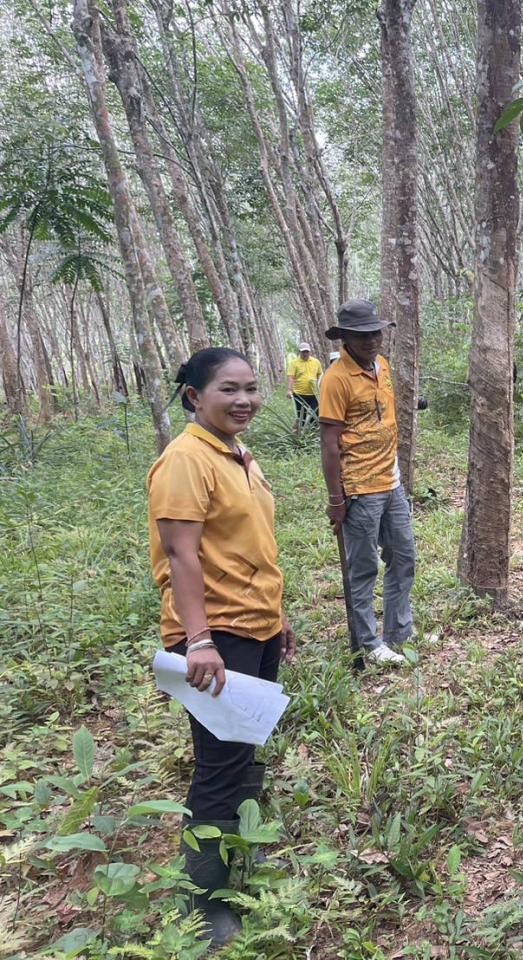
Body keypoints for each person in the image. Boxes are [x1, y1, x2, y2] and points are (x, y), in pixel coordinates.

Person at [147, 347, 296, 947]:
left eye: (252, 388)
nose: (244, 400)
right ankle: (205, 900)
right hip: (217, 632)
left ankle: (241, 855)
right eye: (228, 390)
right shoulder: (185, 459)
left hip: (254, 623)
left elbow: (250, 546)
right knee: (218, 762)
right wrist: (199, 639)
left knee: (248, 746)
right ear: (194, 397)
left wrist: (277, 616)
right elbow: (182, 555)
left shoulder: (238, 455)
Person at [318, 299, 414, 666]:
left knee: (403, 557)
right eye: (362, 335)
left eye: (375, 333)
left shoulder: (382, 366)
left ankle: (399, 632)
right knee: (363, 568)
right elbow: (329, 442)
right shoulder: (335, 380)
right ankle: (368, 644)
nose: (371, 340)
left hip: (391, 482)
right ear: (345, 338)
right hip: (358, 488)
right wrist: (336, 498)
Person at [286, 342, 323, 431]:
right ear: (299, 352)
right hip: (299, 394)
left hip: (313, 393)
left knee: (316, 413)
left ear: (309, 351)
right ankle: (300, 433)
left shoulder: (316, 362)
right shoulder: (294, 363)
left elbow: (320, 375)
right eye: (303, 352)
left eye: (307, 351)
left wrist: (320, 386)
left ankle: (312, 431)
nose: (305, 353)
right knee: (301, 415)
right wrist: (289, 390)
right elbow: (291, 377)